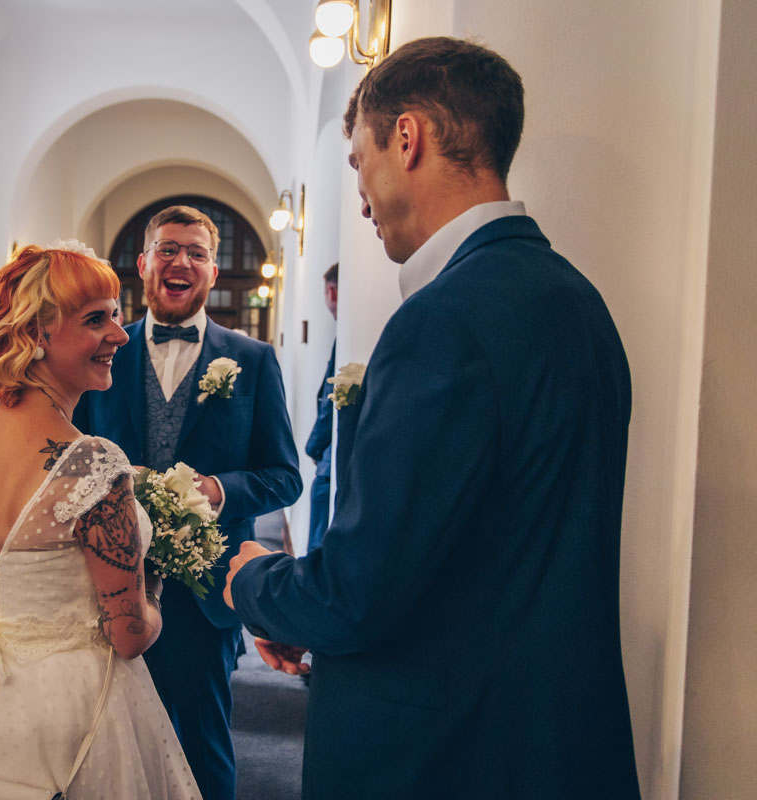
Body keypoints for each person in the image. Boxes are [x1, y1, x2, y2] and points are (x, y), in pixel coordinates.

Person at [224, 37, 641, 799]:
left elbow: (358, 594)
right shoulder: (578, 302)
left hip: (442, 754)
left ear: (407, 138)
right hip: (551, 742)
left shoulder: (443, 321)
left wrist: (253, 581)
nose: (360, 197)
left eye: (359, 161)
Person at [0, 242, 200, 799]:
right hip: (74, 710)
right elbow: (127, 635)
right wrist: (154, 594)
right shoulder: (92, 463)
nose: (119, 335)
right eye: (95, 320)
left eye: (115, 316)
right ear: (37, 333)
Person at [76, 206, 301, 800]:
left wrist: (220, 490)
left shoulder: (252, 360)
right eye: (168, 249)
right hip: (110, 583)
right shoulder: (102, 352)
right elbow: (71, 457)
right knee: (113, 745)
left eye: (197, 253)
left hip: (208, 594)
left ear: (213, 270)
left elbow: (284, 478)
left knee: (203, 746)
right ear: (143, 263)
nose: (182, 261)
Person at [303, 263, 338, 554]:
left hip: (329, 465)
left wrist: (314, 448)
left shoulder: (346, 336)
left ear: (332, 291)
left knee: (318, 546)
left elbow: (330, 401)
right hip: (330, 462)